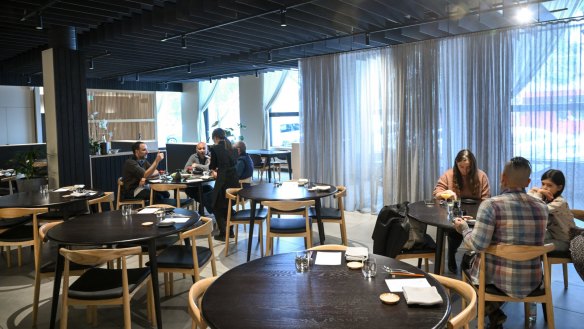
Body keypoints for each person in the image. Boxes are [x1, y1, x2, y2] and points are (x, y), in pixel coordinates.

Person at [453, 157, 547, 329]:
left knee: (468, 259)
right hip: (532, 281)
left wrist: (464, 228)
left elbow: (477, 244)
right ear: (528, 181)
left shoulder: (491, 205)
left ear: (502, 178)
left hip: (498, 282)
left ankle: (491, 309)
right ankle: (494, 312)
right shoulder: (542, 207)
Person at [433, 149, 491, 273]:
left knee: (478, 232)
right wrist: (445, 193)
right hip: (455, 212)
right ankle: (452, 253)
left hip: (475, 214)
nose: (464, 171)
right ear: (456, 164)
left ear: (473, 165)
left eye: (468, 167)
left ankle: (473, 260)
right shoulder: (449, 175)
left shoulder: (481, 176)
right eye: (461, 167)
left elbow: (486, 200)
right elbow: (436, 193)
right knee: (454, 232)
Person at [527, 169, 575, 252]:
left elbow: (537, 211)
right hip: (551, 235)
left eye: (549, 185)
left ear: (559, 187)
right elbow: (527, 203)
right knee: (527, 237)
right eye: (543, 184)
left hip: (564, 242)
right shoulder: (545, 198)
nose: (544, 188)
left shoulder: (560, 202)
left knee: (531, 244)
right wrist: (537, 191)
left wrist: (538, 192)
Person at [208, 128, 239, 241]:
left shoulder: (215, 148)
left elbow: (213, 166)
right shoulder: (233, 148)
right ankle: (230, 232)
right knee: (228, 206)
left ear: (215, 137)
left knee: (216, 206)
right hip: (234, 180)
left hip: (223, 180)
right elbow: (233, 162)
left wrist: (213, 169)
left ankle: (223, 233)